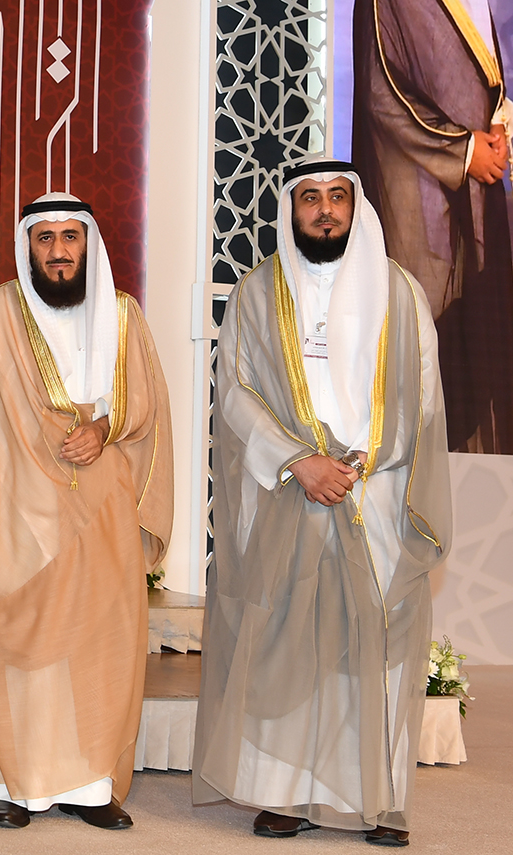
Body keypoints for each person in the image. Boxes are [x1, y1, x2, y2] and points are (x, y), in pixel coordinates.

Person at [193, 158, 452, 847]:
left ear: (356, 207)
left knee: (380, 651)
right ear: (292, 211)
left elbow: (421, 395)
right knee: (289, 643)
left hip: (376, 496)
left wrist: (361, 461)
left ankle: (382, 798)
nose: (326, 210)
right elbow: (237, 393)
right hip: (292, 495)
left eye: (338, 197)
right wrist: (300, 461)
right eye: (311, 198)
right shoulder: (255, 293)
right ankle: (285, 792)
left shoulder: (399, 293)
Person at [0, 193, 173, 830]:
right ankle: (17, 782)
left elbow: (148, 402)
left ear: (88, 244)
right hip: (17, 506)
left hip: (100, 509)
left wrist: (106, 427)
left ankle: (92, 784)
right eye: (46, 239)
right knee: (23, 645)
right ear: (27, 247)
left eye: (72, 238)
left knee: (102, 642)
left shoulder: (123, 316)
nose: (60, 252)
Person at [352, 0, 513, 453]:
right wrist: (462, 152)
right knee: (427, 365)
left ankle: (484, 517)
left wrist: (497, 127)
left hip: (481, 209)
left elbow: (484, 83)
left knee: (483, 363)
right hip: (422, 216)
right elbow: (383, 97)